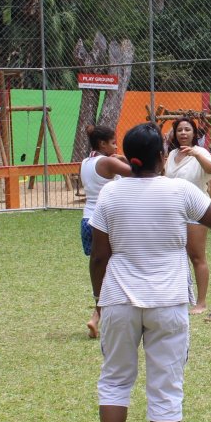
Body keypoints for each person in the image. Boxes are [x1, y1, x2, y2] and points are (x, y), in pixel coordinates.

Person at [88, 123, 211, 422]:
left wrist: (99, 302)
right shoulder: (179, 190)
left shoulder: (110, 194)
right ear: (161, 156)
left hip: (119, 298)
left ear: (128, 157)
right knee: (166, 385)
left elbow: (99, 257)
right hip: (168, 300)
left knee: (114, 379)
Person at [80, 125, 132, 339]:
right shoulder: (108, 162)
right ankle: (99, 316)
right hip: (106, 221)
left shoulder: (85, 162)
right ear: (102, 144)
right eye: (113, 143)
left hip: (87, 219)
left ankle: (98, 315)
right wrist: (125, 158)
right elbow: (140, 173)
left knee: (102, 270)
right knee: (116, 270)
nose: (116, 147)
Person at [164, 118, 211, 314]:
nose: (183, 133)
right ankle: (176, 298)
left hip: (195, 211)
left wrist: (196, 154)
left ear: (194, 133)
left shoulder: (201, 152)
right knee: (173, 256)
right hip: (174, 211)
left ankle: (201, 302)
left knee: (197, 257)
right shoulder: (172, 154)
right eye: (179, 130)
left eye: (187, 129)